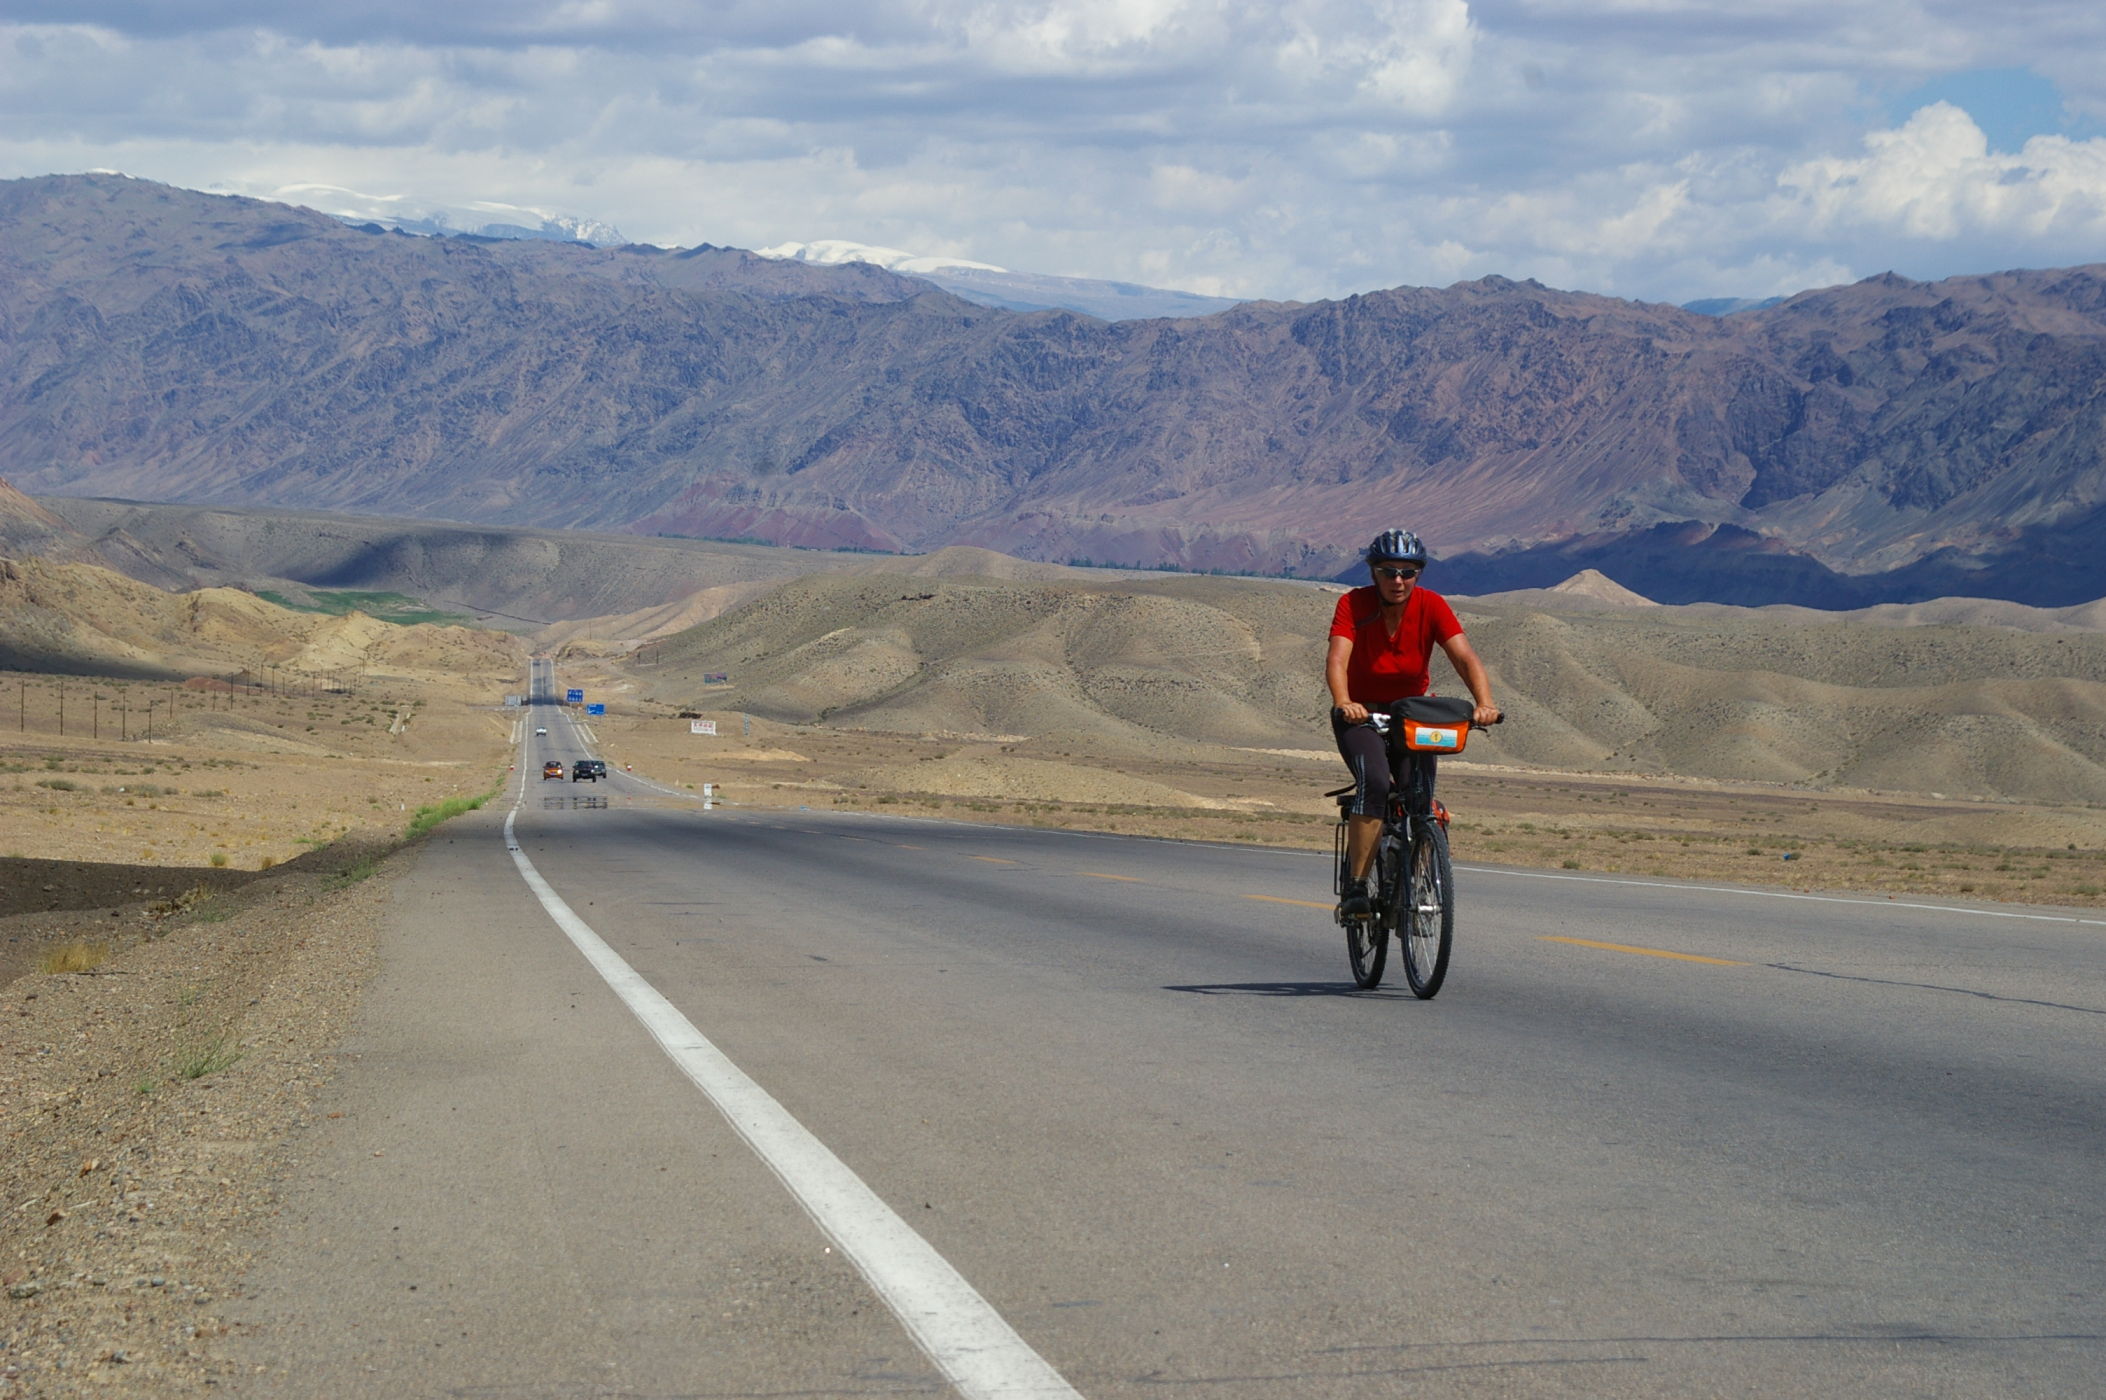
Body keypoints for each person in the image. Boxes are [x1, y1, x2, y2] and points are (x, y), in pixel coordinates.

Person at [1327, 529, 1500, 918]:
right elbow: (1338, 658)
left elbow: (1465, 657)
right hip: (1362, 713)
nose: (1398, 580)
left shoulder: (1432, 605)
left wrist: (1485, 703)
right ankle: (1357, 888)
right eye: (1388, 571)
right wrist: (1344, 702)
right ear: (1373, 572)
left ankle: (1419, 881)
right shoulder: (1352, 603)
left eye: (1408, 572)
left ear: (1418, 574)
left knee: (1419, 796)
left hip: (1411, 714)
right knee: (1374, 785)